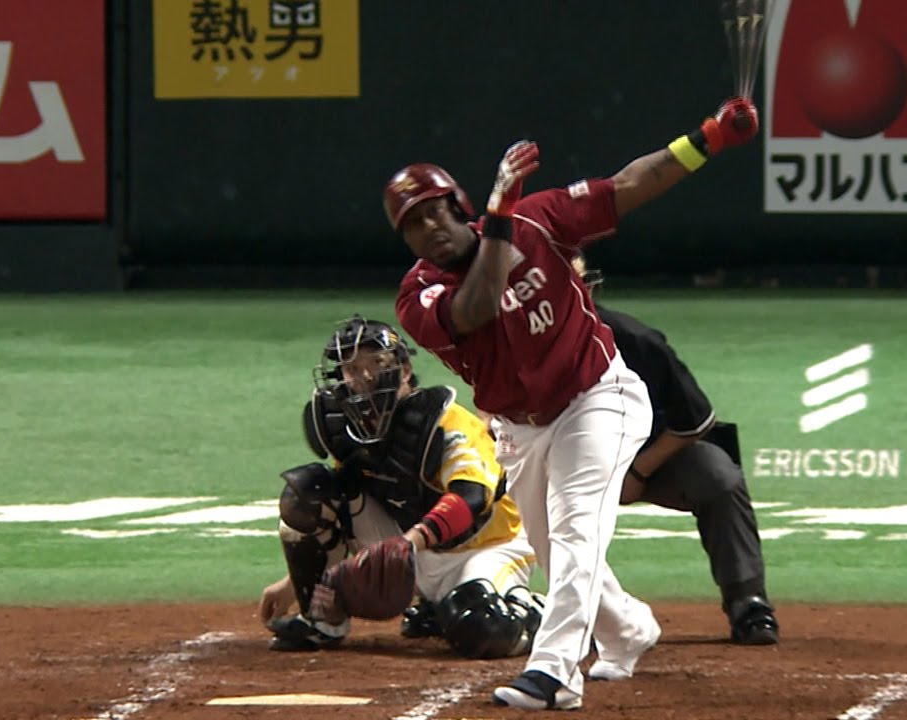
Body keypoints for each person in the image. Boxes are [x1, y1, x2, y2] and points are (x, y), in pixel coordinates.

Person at [388, 97, 761, 710]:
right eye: (412, 223)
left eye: (435, 211)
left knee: (576, 528)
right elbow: (478, 305)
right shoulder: (418, 296)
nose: (429, 227)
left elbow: (629, 185)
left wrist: (709, 137)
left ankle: (555, 672)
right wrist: (498, 218)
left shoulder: (536, 220)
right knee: (551, 546)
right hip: (521, 430)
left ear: (458, 205)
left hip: (598, 398)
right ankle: (628, 628)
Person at [258, 315, 545, 660]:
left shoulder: (446, 422)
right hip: (409, 544)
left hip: (485, 545)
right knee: (307, 493)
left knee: (484, 628)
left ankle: (542, 613)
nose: (364, 377)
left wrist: (410, 542)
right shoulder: (344, 428)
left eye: (376, 364)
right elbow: (339, 506)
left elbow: (471, 497)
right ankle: (321, 618)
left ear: (404, 370)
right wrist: (296, 582)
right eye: (352, 368)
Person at [575, 260, 780, 646]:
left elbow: (695, 418)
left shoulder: (635, 340)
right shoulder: (528, 348)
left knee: (716, 476)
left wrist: (637, 472)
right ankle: (549, 607)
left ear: (588, 288)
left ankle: (747, 600)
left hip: (653, 457)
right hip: (566, 463)